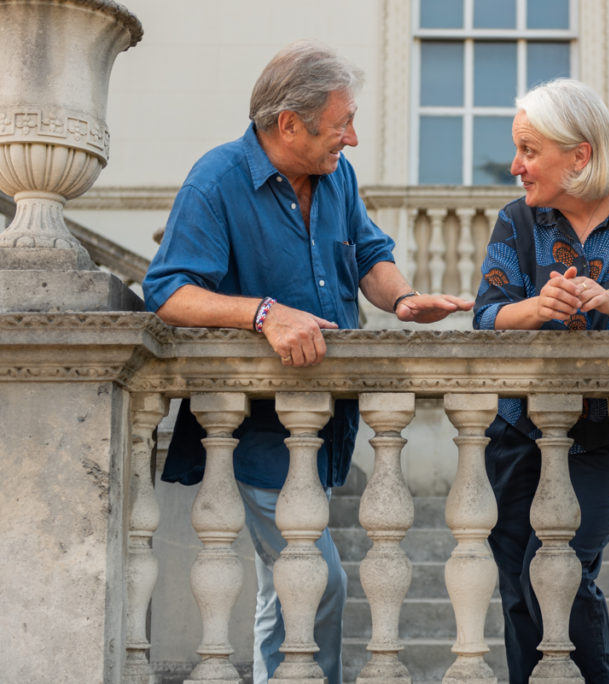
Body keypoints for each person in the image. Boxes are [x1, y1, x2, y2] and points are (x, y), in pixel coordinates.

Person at [143, 40, 472, 684]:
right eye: (342, 122)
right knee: (314, 582)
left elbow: (370, 255)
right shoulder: (216, 179)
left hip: (326, 426)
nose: (351, 136)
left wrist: (402, 299)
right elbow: (169, 291)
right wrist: (263, 314)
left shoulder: (336, 176)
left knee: (287, 585)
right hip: (259, 430)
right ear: (289, 123)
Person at [473, 78, 609, 683]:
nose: (516, 166)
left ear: (580, 155)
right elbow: (487, 316)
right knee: (519, 585)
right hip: (518, 430)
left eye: (528, 150)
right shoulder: (516, 220)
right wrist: (537, 307)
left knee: (564, 563)